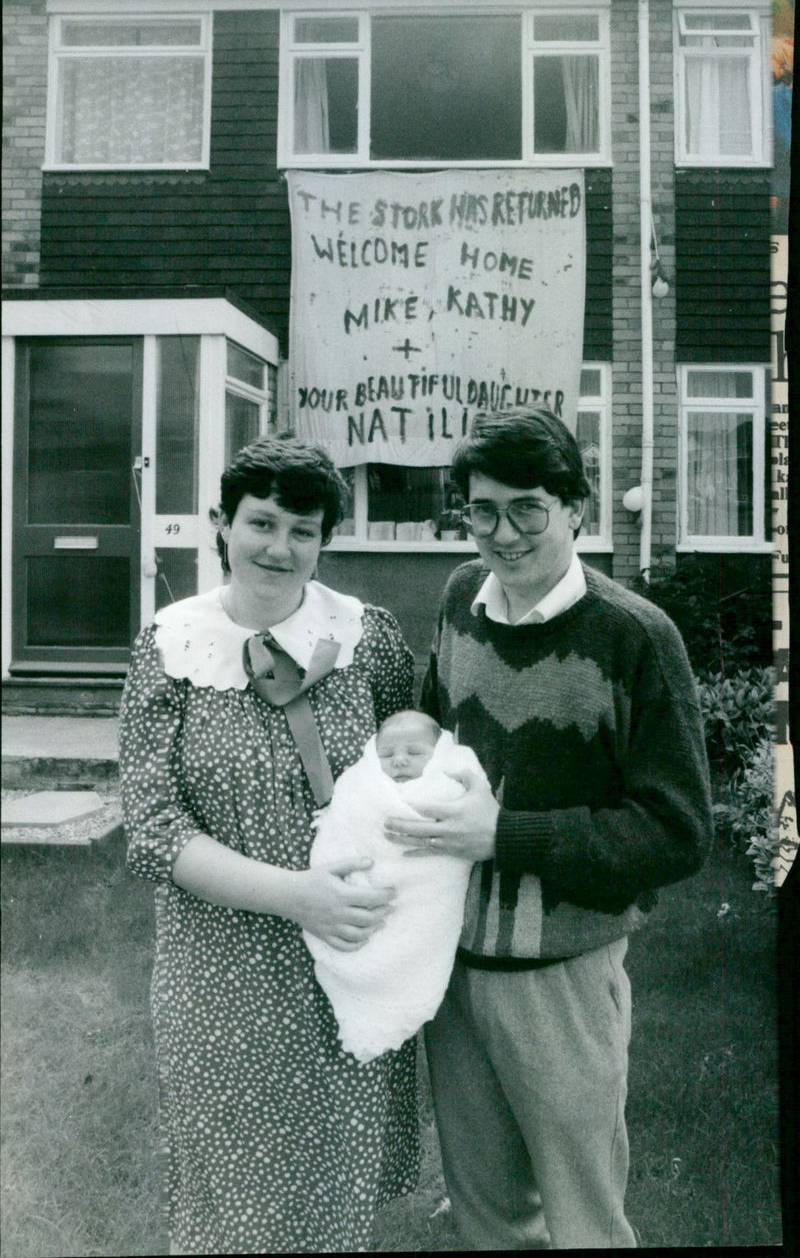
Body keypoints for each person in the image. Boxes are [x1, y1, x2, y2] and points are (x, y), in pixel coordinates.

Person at [385, 407, 713, 1251]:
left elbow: (678, 831)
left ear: (576, 506)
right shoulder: (461, 596)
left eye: (528, 506)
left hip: (563, 982)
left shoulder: (637, 636)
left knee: (584, 1223)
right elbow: (434, 724)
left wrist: (507, 835)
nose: (504, 531)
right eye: (483, 509)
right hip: (451, 973)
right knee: (487, 1219)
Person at [118, 435, 420, 1256]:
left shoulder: (370, 639)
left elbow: (413, 766)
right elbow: (153, 829)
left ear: (325, 540)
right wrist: (299, 895)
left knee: (332, 1212)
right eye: (262, 521)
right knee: (229, 1213)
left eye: (304, 529)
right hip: (220, 979)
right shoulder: (168, 646)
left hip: (348, 968)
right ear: (223, 522)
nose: (279, 547)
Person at [305, 712, 486, 1064]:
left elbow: (465, 814)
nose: (399, 760)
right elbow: (348, 819)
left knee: (412, 943)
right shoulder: (363, 784)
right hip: (365, 891)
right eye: (387, 754)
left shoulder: (447, 783)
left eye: (414, 753)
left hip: (424, 895)